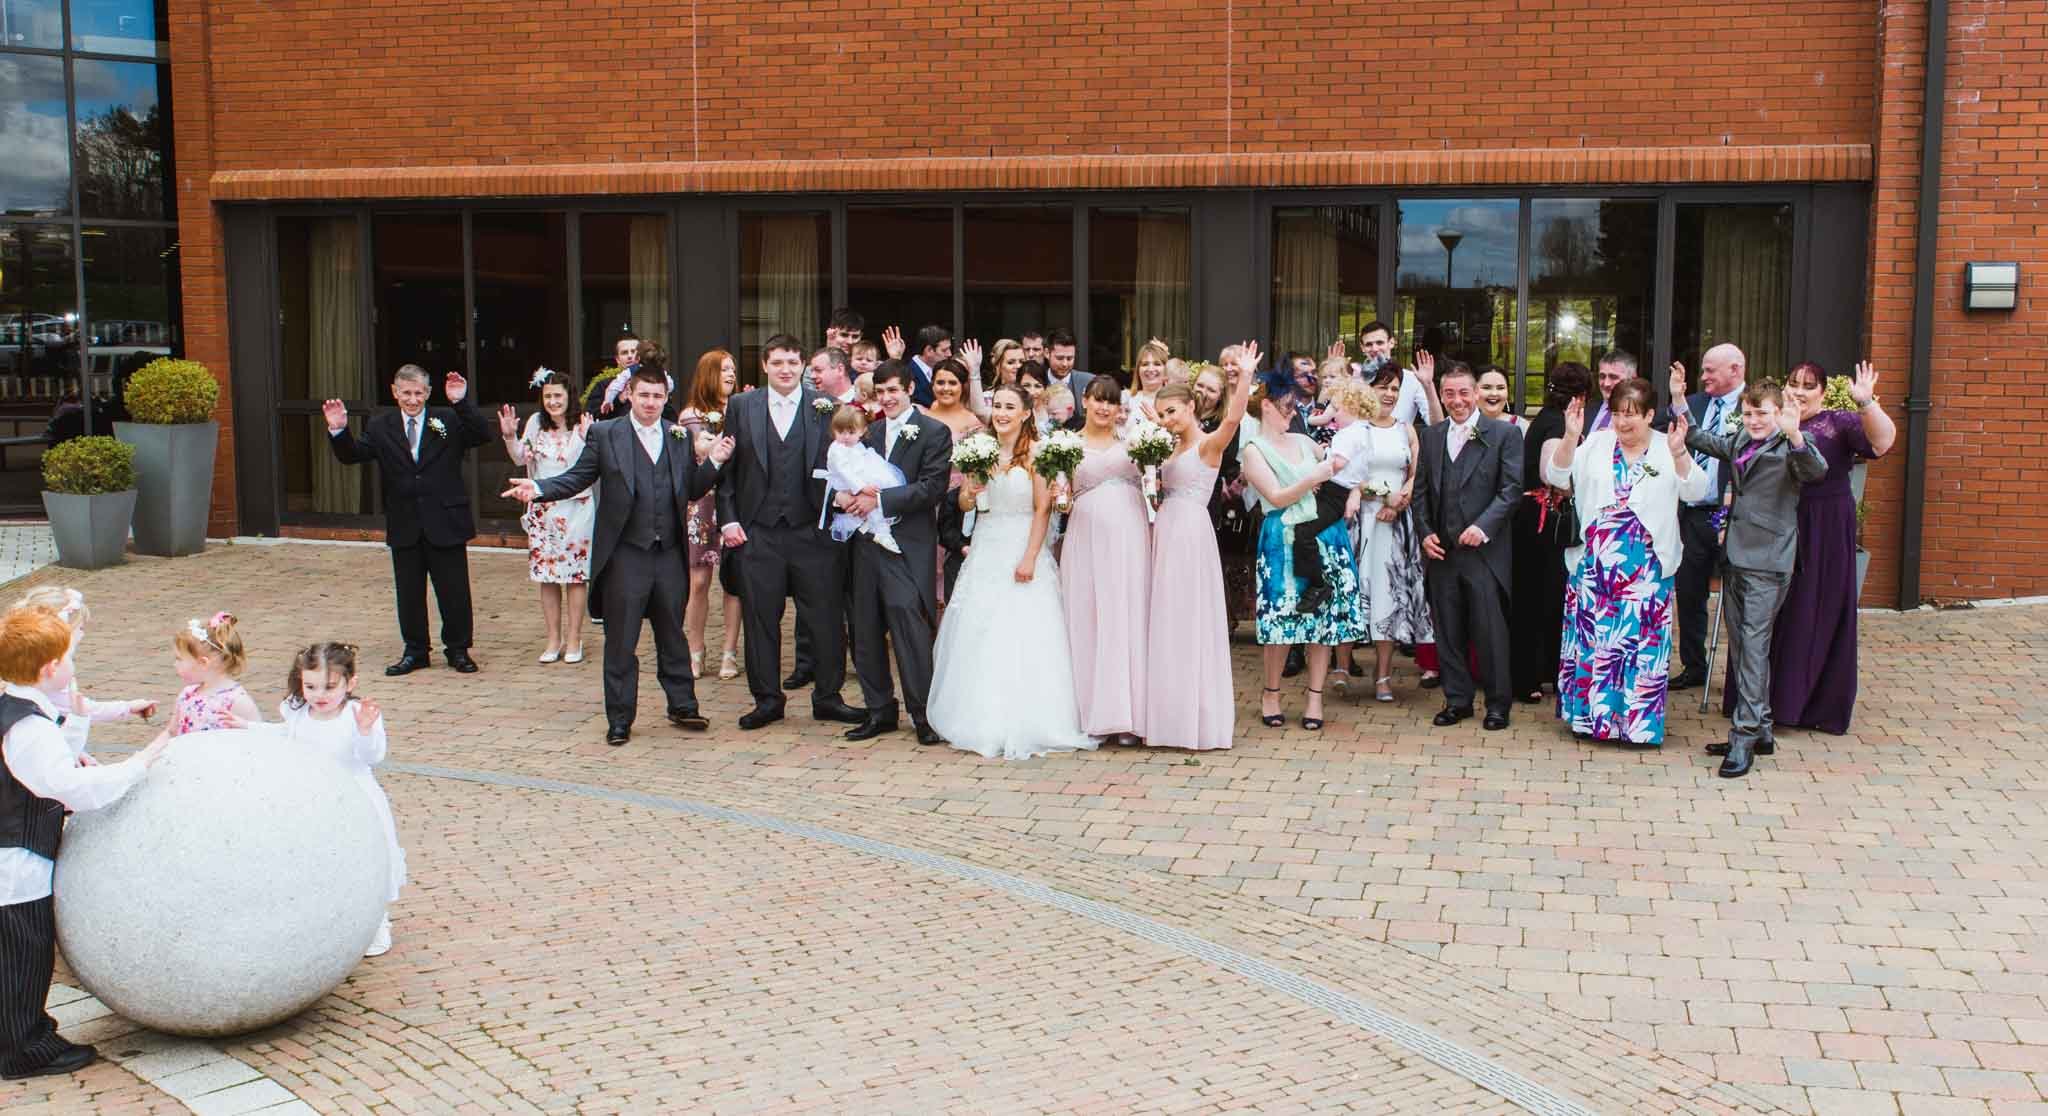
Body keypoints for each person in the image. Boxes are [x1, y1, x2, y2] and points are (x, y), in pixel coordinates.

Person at [504, 365, 736, 746]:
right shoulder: (606, 433)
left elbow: (691, 490)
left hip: (668, 553)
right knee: (621, 641)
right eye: (643, 395)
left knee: (671, 636)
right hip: (626, 553)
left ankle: (683, 706)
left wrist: (714, 462)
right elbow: (578, 477)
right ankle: (620, 718)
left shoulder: (677, 436)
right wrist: (539, 487)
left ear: (665, 398)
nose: (650, 403)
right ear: (629, 394)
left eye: (658, 396)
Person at [0, 605, 171, 1080]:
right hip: (15, 863)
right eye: (69, 656)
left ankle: (25, 1034)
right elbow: (70, 789)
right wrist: (145, 758)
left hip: (13, 854)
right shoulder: (28, 727)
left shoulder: (18, 708)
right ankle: (21, 1048)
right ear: (50, 669)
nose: (74, 665)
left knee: (18, 954)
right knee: (24, 956)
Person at [926, 384, 1094, 760]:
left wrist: (1030, 557)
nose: (1001, 413)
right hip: (986, 545)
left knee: (1023, 632)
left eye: (1009, 407)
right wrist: (971, 487)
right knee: (980, 629)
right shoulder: (979, 450)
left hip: (1021, 545)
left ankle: (1029, 717)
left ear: (1024, 414)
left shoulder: (1037, 454)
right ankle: (977, 715)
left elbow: (1042, 510)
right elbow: (969, 503)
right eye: (996, 405)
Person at [1729, 360, 1895, 735]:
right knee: (1768, 615)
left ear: (1822, 391)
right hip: (1772, 527)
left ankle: (1806, 703)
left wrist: (1867, 403)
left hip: (1821, 528)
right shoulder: (1769, 420)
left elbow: (1883, 443)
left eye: (1809, 385)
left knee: (1811, 609)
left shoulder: (1839, 422)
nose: (1800, 391)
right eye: (1794, 383)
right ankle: (1759, 703)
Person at [714, 334, 866, 731]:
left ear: (803, 367)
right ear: (764, 365)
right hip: (758, 532)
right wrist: (729, 520)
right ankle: (767, 700)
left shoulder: (826, 408)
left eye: (792, 363)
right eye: (778, 362)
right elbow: (728, 473)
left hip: (812, 531)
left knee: (826, 619)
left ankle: (828, 697)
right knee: (761, 619)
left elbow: (847, 462)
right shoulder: (742, 406)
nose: (785, 369)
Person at [1677, 377, 1826, 777]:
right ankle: (1760, 729)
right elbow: (1700, 438)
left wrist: (1796, 436)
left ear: (1778, 412)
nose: (1754, 420)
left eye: (1762, 413)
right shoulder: (1743, 440)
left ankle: (1743, 738)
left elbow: (1815, 470)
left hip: (1769, 561)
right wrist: (1678, 398)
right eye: (1748, 413)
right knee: (1742, 648)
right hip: (1736, 558)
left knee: (1755, 649)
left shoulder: (1791, 447)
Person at [1545, 380, 1705, 746]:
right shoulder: (1598, 443)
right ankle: (1591, 721)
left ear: (1650, 415)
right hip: (1595, 565)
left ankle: (1639, 728)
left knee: (1640, 647)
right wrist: (1571, 438)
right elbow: (1556, 477)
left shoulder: (1668, 446)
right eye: (1617, 413)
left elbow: (1697, 491)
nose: (1622, 423)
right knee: (1596, 643)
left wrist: (1681, 455)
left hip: (1647, 565)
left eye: (1631, 415)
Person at [323, 365, 494, 675]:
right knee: (409, 592)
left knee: (454, 591)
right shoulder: (380, 425)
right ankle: (415, 651)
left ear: (428, 393)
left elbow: (482, 434)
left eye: (418, 393)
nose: (412, 400)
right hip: (405, 521)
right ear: (395, 392)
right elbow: (352, 455)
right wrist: (338, 430)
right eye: (406, 393)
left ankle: (458, 650)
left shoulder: (448, 419)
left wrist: (461, 402)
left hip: (446, 519)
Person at [1141, 348, 1257, 750]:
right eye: (1162, 414)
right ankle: (1167, 717)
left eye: (1173, 411)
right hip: (1163, 531)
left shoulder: (1209, 446)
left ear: (1191, 406)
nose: (1168, 419)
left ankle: (1196, 719)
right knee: (1165, 620)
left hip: (1190, 533)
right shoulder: (1163, 448)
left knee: (1189, 621)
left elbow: (1234, 417)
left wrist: (1243, 378)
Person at [1241, 369, 1363, 732]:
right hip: (1283, 538)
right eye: (1285, 406)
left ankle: (1314, 697)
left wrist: (1352, 489)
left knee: (1322, 622)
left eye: (1293, 406)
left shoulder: (1305, 442)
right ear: (1265, 406)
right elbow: (1276, 496)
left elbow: (1343, 470)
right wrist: (1313, 478)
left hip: (1324, 533)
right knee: (1281, 621)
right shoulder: (1253, 451)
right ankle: (1271, 693)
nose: (1292, 412)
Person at [839, 363, 953, 745]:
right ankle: (879, 711)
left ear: (908, 389)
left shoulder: (934, 432)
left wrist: (880, 499)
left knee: (909, 627)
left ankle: (924, 715)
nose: (887, 398)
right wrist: (847, 499)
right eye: (881, 391)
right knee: (865, 629)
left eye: (893, 390)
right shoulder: (867, 431)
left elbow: (932, 488)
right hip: (866, 545)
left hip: (906, 546)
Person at [273, 642, 406, 957]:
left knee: (364, 860)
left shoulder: (357, 714)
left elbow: (373, 756)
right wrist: (245, 727)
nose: (320, 695)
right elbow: (283, 737)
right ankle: (327, 921)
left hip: (355, 798)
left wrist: (364, 732)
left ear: (350, 683)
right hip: (313, 799)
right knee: (321, 860)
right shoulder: (298, 712)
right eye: (311, 686)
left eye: (330, 687)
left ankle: (377, 922)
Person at [1414, 365, 1524, 731]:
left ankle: (1497, 705)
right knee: (1448, 631)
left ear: (1476, 393)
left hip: (1484, 555)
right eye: (1450, 394)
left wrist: (1483, 527)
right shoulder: (1431, 436)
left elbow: (1511, 490)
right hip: (1442, 553)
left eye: (1464, 393)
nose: (1457, 401)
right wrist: (1425, 533)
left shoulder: (1505, 434)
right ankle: (1457, 700)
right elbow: (1421, 494)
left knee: (1489, 632)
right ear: (1442, 396)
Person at [1061, 376, 1151, 746]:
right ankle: (1091, 711)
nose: (1103, 408)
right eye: (1097, 400)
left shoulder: (1134, 442)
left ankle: (1130, 715)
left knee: (1127, 615)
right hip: (1084, 537)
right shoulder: (1065, 445)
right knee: (1088, 615)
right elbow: (1061, 502)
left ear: (1119, 408)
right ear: (1084, 400)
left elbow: (1152, 483)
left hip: (1130, 534)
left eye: (1110, 402)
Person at [498, 367, 595, 664]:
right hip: (543, 509)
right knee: (548, 576)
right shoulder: (536, 424)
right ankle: (553, 638)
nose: (553, 401)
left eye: (558, 396)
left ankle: (575, 637)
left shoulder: (584, 423)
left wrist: (584, 437)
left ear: (570, 397)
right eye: (548, 396)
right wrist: (510, 436)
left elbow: (588, 464)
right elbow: (520, 457)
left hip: (576, 507)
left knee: (576, 576)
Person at [1348, 363, 1431, 704]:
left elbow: (1416, 472)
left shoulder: (1406, 430)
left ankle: (1382, 675)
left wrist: (1398, 502)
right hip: (1362, 521)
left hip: (1397, 524)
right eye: (1383, 386)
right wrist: (1378, 495)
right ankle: (1340, 666)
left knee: (1390, 596)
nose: (1389, 393)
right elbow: (1346, 477)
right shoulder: (1356, 430)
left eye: (1395, 388)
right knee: (1355, 593)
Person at [1670, 344, 1748, 690]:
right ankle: (1693, 665)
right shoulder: (1693, 403)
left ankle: (1738, 675)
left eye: (1709, 371)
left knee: (1738, 596)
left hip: (1732, 515)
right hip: (1693, 515)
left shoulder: (1754, 407)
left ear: (1735, 369)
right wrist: (1677, 399)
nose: (1703, 378)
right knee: (1689, 592)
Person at [1510, 363, 1587, 705]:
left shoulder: (1543, 417)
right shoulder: (1557, 423)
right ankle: (1533, 676)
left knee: (1532, 597)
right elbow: (1551, 472)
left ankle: (1533, 673)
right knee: (1544, 599)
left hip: (1529, 519)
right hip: (1545, 520)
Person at [10, 588, 154, 754]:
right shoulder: (52, 674)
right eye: (80, 628)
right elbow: (83, 710)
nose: (82, 633)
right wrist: (127, 708)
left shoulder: (25, 665)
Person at [677, 350, 743, 680]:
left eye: (732, 369)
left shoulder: (744, 408)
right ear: (708, 374)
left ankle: (730, 654)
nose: (730, 375)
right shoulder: (690, 415)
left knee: (733, 583)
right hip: (701, 502)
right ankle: (695, 651)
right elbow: (689, 455)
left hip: (735, 503)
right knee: (699, 581)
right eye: (723, 369)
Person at [1288, 379, 1378, 616]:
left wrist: (1315, 478)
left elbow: (1337, 464)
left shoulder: (1349, 434)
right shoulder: (1365, 432)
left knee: (1303, 531)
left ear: (1354, 407)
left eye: (1338, 409)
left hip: (1333, 492)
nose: (1334, 416)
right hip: (1340, 492)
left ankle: (1317, 584)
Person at [1194, 361, 1259, 626]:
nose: (1204, 393)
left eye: (1211, 390)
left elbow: (1229, 462)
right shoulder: (1179, 412)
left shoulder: (1224, 424)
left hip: (1207, 495)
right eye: (1200, 385)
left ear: (1221, 395)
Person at [824, 406, 905, 553]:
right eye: (841, 432)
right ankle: (880, 531)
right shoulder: (837, 449)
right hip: (846, 483)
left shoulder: (858, 446)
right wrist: (862, 487)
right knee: (869, 496)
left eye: (851, 432)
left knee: (883, 483)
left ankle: (882, 530)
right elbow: (845, 472)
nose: (846, 437)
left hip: (859, 478)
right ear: (833, 431)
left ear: (861, 431)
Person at [165, 612, 261, 735]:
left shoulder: (237, 701)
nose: (175, 664)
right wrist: (146, 754)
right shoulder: (187, 695)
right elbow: (171, 732)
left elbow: (258, 738)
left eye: (179, 659)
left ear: (203, 663)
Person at [923, 356, 986, 438]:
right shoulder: (921, 415)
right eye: (940, 382)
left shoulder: (972, 422)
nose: (946, 388)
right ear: (933, 385)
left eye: (952, 383)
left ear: (962, 386)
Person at [1125, 340, 1171, 425]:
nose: (1150, 369)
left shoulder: (1174, 402)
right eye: (1145, 364)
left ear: (1165, 369)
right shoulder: (1126, 398)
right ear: (1138, 370)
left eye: (1157, 364)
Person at [1044, 327, 1093, 408]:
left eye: (1069, 358)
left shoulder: (1089, 382)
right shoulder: (1037, 383)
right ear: (1046, 353)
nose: (1065, 364)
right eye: (1059, 358)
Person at [906, 324, 952, 407]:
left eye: (949, 349)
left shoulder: (947, 369)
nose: (949, 354)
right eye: (944, 350)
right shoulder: (907, 373)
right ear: (929, 350)